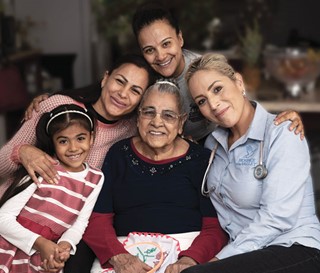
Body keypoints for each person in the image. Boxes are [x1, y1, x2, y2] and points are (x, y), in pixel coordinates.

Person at [180, 53, 320, 273]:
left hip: (294, 247)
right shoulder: (212, 145)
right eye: (202, 101)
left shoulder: (283, 133)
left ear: (238, 82)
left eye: (217, 89)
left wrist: (219, 260)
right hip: (246, 254)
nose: (214, 104)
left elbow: (276, 219)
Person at [80, 79, 228, 273]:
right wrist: (119, 257)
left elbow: (216, 226)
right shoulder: (119, 154)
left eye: (168, 115)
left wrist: (190, 261)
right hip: (125, 252)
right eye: (149, 112)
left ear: (181, 122)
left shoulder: (201, 160)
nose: (157, 122)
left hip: (186, 252)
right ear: (138, 117)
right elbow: (98, 217)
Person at [131, 1, 305, 142]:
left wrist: (279, 125)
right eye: (149, 50)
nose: (161, 56)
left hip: (216, 143)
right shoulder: (142, 78)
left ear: (180, 38)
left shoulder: (203, 70)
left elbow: (239, 103)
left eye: (166, 44)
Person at [0, 53, 155, 193]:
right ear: (106, 78)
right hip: (14, 206)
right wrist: (22, 153)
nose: (123, 93)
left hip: (66, 220)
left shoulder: (132, 130)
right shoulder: (56, 106)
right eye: (120, 81)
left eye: (135, 91)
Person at [0, 104, 104, 272]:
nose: (73, 148)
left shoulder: (96, 178)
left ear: (91, 138)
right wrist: (40, 243)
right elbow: (2, 219)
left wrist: (64, 246)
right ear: (53, 143)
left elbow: (80, 223)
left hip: (44, 253)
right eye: (63, 141)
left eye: (80, 138)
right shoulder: (43, 167)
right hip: (9, 246)